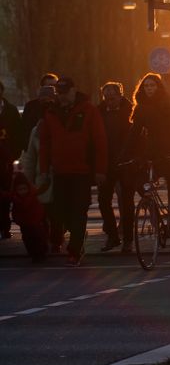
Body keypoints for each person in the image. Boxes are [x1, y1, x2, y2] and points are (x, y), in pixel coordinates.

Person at [38, 77, 107, 266]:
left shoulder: (88, 111)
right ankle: (76, 237)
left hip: (82, 171)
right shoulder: (51, 113)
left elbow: (99, 141)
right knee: (60, 211)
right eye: (59, 93)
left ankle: (75, 250)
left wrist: (100, 170)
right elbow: (45, 143)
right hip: (60, 171)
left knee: (79, 210)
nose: (62, 97)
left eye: (65, 93)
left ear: (74, 91)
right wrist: (44, 169)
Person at [122, 73, 170, 252]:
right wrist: (124, 155)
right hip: (153, 155)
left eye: (152, 85)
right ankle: (155, 216)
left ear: (159, 87)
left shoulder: (168, 104)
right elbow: (134, 133)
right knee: (140, 183)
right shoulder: (142, 108)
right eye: (146, 86)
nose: (149, 89)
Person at [96, 81, 135, 253]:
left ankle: (128, 240)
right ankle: (113, 236)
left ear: (120, 96)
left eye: (112, 97)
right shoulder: (99, 113)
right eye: (106, 97)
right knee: (103, 201)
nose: (109, 100)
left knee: (127, 203)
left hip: (126, 163)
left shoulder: (131, 112)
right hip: (106, 163)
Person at [19, 85, 59, 252]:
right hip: (41, 178)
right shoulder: (36, 129)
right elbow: (30, 156)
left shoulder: (61, 123)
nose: (46, 104)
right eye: (43, 101)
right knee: (41, 213)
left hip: (59, 175)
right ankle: (44, 242)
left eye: (49, 100)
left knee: (56, 212)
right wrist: (28, 181)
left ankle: (56, 240)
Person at [0, 171, 48, 262]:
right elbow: (5, 195)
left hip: (34, 221)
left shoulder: (31, 194)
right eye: (20, 189)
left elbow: (42, 191)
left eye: (24, 189)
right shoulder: (15, 196)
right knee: (28, 238)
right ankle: (35, 254)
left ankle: (40, 253)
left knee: (38, 237)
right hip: (25, 222)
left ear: (28, 188)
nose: (22, 191)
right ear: (16, 189)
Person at [0, 79, 26, 240]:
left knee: (5, 194)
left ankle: (4, 226)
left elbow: (18, 133)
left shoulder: (10, 110)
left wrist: (14, 154)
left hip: (6, 161)